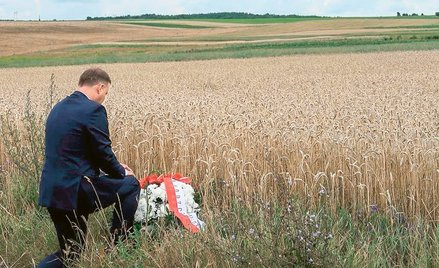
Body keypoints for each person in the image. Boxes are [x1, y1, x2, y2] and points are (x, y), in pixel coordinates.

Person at [37, 68, 140, 267]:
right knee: (131, 185)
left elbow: (72, 153)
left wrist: (111, 168)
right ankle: (118, 247)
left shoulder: (58, 108)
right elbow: (102, 152)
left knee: (70, 253)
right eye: (106, 93)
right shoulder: (93, 110)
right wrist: (121, 171)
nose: (104, 99)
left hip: (52, 191)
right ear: (100, 87)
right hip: (76, 190)